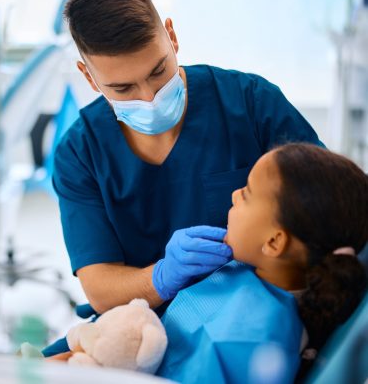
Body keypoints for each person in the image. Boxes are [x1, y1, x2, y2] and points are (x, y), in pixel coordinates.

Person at [44, 0, 323, 356]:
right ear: (89, 76)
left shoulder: (252, 104)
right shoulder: (80, 152)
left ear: (171, 37)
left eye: (159, 71)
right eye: (123, 89)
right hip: (139, 324)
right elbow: (100, 287)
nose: (150, 97)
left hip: (247, 311)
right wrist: (161, 276)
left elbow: (328, 206)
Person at [156, 143, 368, 382]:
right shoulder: (249, 268)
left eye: (246, 193)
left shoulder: (259, 339)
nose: (234, 194)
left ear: (274, 242)